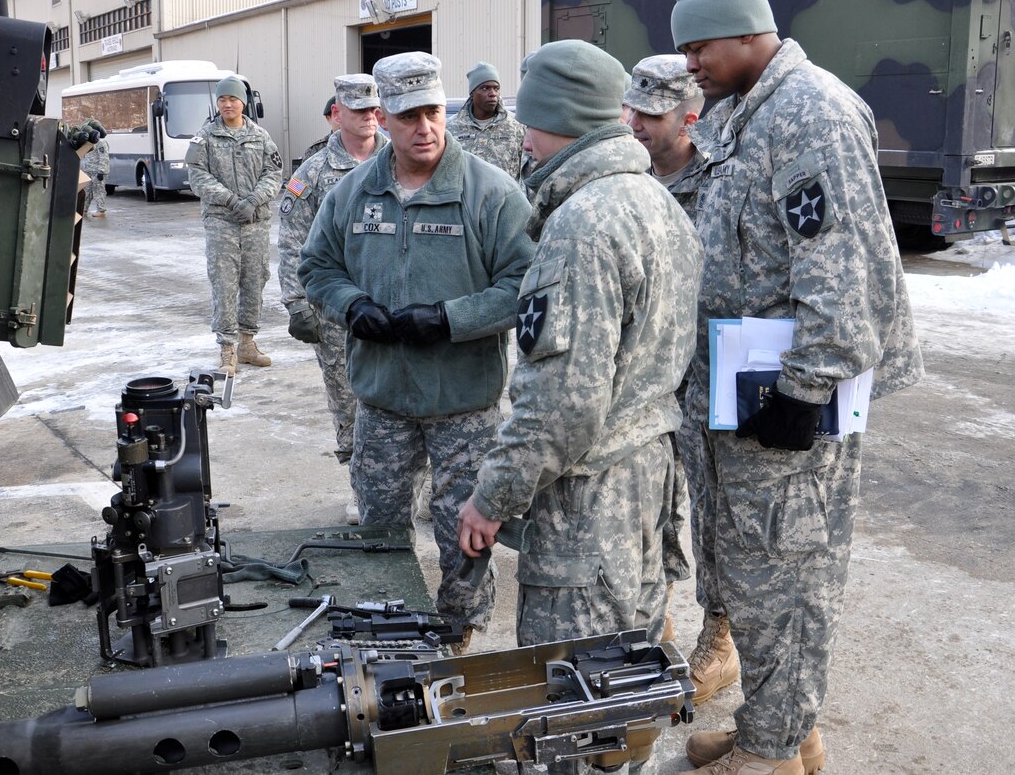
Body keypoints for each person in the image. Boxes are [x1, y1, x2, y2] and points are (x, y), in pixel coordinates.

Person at [669, 0, 923, 774]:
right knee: (749, 568)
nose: (689, 64)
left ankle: (772, 752)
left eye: (698, 45)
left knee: (788, 575)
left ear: (747, 32)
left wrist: (805, 388)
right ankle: (781, 729)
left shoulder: (809, 110)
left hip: (788, 395)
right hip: (742, 390)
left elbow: (844, 268)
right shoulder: (747, 112)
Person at [455, 38, 702, 750]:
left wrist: (491, 496)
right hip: (644, 479)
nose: (522, 139)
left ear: (557, 119)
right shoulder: (653, 202)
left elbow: (561, 404)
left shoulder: (582, 226)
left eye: (529, 122)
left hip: (589, 505)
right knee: (626, 674)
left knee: (577, 703)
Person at [299, 52, 534, 650]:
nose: (425, 128)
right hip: (381, 402)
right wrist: (352, 305)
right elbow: (317, 266)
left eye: (433, 112)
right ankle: (388, 629)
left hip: (463, 403)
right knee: (378, 530)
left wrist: (451, 319)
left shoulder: (490, 193)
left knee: (465, 530)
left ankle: (458, 632)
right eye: (408, 117)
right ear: (383, 118)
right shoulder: (354, 193)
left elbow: (524, 287)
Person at [624, 52, 738, 695]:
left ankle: (718, 640)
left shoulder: (722, 180)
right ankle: (655, 620)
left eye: (652, 113)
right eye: (632, 108)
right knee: (647, 502)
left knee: (715, 512)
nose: (636, 123)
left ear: (689, 116)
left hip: (708, 378)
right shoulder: (627, 180)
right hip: (646, 379)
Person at [278, 74, 387, 474]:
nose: (370, 118)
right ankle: (361, 483)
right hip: (336, 311)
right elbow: (293, 242)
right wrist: (296, 303)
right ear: (337, 113)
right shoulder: (314, 172)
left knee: (405, 398)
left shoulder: (401, 158)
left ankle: (414, 485)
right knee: (348, 400)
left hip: (396, 300)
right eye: (359, 110)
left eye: (375, 110)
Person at [187, 75, 283, 376]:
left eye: (233, 99)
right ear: (217, 103)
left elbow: (274, 174)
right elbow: (198, 177)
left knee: (255, 281)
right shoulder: (204, 137)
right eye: (222, 99)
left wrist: (254, 200)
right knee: (225, 284)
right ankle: (227, 350)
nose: (228, 104)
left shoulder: (261, 136)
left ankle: (247, 344)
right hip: (222, 224)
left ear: (243, 102)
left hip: (255, 223)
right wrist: (231, 200)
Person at [623, 55, 707, 222]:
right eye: (632, 110)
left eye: (650, 115)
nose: (632, 124)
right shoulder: (624, 171)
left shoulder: (718, 183)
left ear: (688, 123)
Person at [446, 61, 525, 180]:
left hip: (506, 197)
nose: (493, 94)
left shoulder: (516, 125)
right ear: (472, 93)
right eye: (485, 88)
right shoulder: (451, 127)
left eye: (496, 88)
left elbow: (527, 171)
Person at [300, 95, 338, 164]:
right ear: (328, 118)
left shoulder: (361, 146)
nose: (343, 119)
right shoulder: (315, 150)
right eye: (337, 115)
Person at [81, 131, 110, 217]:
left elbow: (104, 157)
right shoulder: (89, 142)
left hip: (97, 171)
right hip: (89, 170)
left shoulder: (100, 142)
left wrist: (101, 171)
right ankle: (84, 209)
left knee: (99, 191)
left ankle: (101, 210)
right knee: (87, 191)